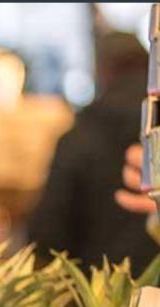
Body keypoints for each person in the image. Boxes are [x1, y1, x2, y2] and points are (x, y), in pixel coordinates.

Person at [30, 31, 155, 271]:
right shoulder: (153, 130)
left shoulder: (78, 138)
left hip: (94, 295)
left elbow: (47, 234)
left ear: (103, 70)